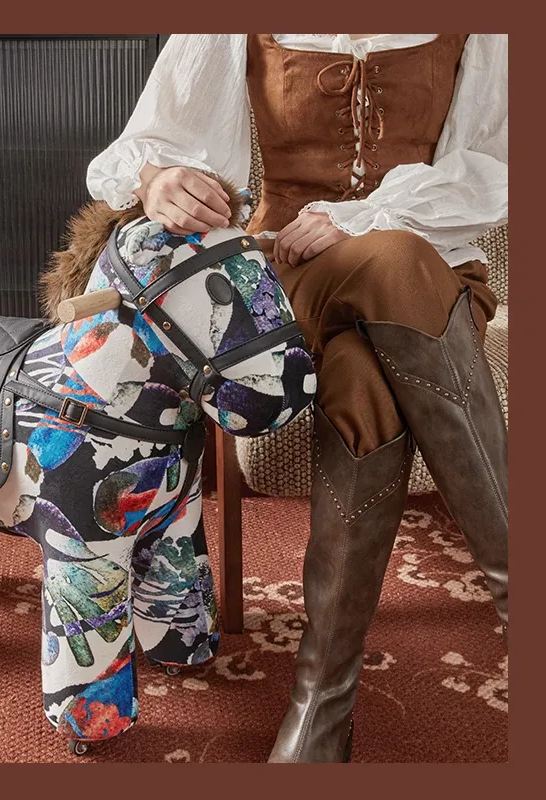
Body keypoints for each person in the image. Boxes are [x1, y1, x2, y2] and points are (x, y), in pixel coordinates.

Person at [86, 34, 508, 763]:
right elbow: (150, 145)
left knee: (365, 368)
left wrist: (361, 216)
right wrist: (159, 179)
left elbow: (497, 163)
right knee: (394, 262)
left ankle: (321, 700)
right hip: (285, 276)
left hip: (431, 274)